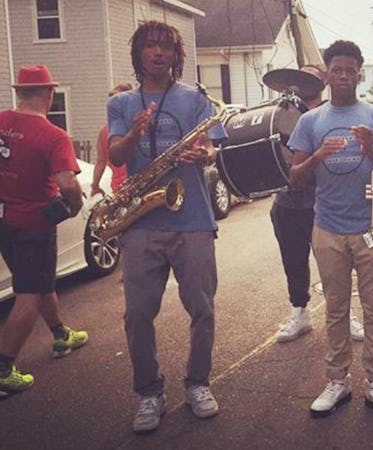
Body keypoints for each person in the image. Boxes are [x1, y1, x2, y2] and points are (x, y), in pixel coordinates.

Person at [107, 21, 227, 433]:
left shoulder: (195, 99)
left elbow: (212, 148)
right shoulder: (122, 104)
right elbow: (117, 155)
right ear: (139, 53)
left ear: (176, 56)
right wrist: (134, 132)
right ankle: (148, 392)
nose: (158, 53)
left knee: (203, 309)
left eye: (166, 47)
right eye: (150, 46)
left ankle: (198, 382)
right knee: (137, 314)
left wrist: (204, 154)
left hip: (192, 219)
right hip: (142, 222)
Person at [288, 40, 373, 422]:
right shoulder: (310, 121)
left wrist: (371, 149)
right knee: (336, 310)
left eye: (349, 70)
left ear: (358, 72)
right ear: (327, 73)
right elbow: (295, 179)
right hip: (328, 227)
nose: (342, 75)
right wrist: (319, 155)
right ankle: (337, 381)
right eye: (335, 69)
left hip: (372, 226)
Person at [0, 65, 88, 395]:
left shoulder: (0, 121)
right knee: (30, 294)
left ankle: (60, 335)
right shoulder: (53, 135)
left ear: (19, 92)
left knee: (39, 280)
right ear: (49, 94)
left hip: (4, 222)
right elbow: (68, 183)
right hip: (34, 224)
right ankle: (4, 367)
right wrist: (75, 206)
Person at [272, 65, 365, 343]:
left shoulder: (330, 113)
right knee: (293, 260)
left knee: (336, 265)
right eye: (302, 75)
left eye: (313, 75)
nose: (306, 80)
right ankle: (300, 313)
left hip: (323, 204)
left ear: (323, 81)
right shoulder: (282, 114)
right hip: (287, 202)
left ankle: (346, 314)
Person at [91, 83, 134, 197]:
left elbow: (101, 161)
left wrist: (95, 185)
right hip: (138, 186)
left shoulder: (105, 130)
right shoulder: (135, 127)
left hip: (118, 189)